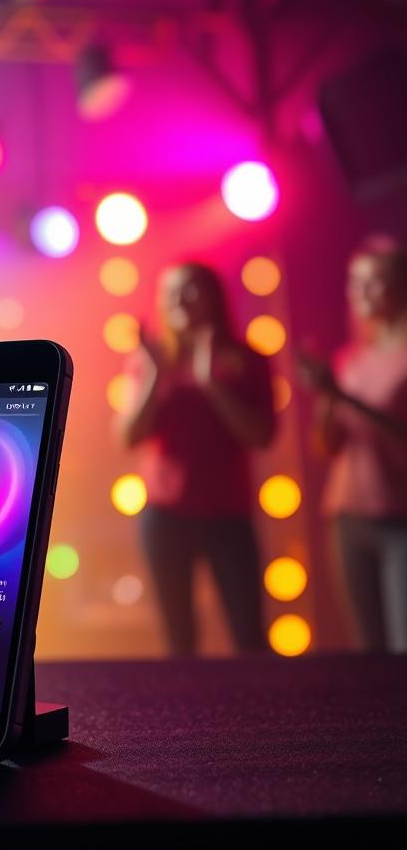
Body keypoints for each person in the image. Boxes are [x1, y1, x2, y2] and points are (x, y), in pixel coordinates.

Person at [115, 261, 275, 656]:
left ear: (213, 297)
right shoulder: (149, 359)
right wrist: (154, 374)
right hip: (166, 514)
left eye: (189, 289)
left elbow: (261, 435)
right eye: (170, 292)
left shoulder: (247, 359)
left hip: (228, 513)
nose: (179, 300)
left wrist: (210, 382)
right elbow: (127, 436)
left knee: (249, 637)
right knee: (179, 639)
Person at [298, 236, 407, 653]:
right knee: (368, 652)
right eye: (354, 282)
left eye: (374, 282)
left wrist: (341, 396)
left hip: (399, 517)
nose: (361, 292)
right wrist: (326, 394)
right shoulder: (351, 356)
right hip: (348, 517)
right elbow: (326, 446)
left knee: (401, 652)